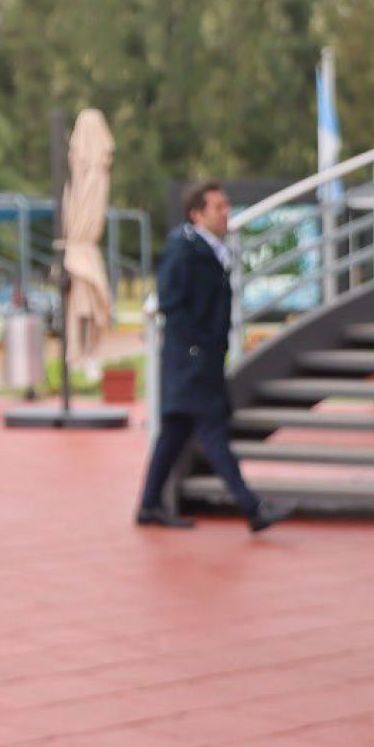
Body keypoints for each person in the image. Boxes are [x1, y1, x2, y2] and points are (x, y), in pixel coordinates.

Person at [135, 181, 289, 533]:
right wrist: (197, 344)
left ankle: (148, 505)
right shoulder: (184, 248)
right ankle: (252, 508)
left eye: (226, 206)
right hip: (192, 359)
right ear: (197, 214)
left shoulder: (210, 249)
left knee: (174, 433)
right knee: (213, 431)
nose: (226, 213)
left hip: (199, 357)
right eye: (218, 207)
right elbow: (169, 299)